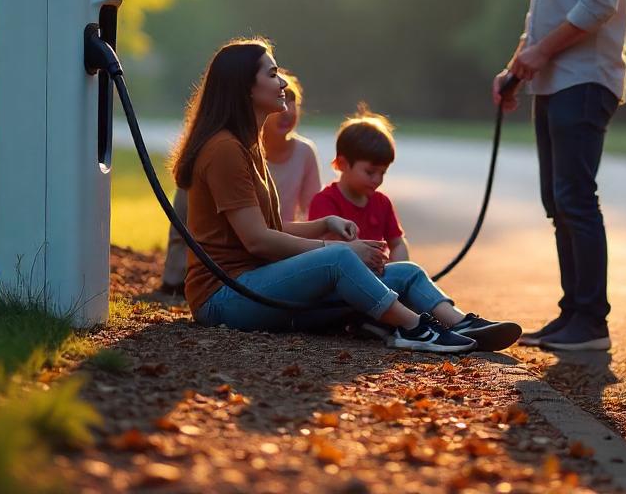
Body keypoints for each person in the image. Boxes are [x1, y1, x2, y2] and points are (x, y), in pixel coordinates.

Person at [172, 37, 521, 353]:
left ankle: (461, 323)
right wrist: (339, 249)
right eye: (273, 74)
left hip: (258, 284)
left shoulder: (248, 146)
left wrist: (325, 223)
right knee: (340, 261)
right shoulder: (224, 150)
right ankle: (414, 328)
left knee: (406, 272)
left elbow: (270, 227)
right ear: (244, 87)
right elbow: (258, 241)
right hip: (224, 297)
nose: (282, 83)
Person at [494, 0, 626, 352]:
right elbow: (543, 9)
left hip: (584, 77)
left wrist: (537, 56)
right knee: (559, 200)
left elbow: (599, 1)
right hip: (552, 79)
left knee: (575, 198)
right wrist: (516, 68)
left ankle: (591, 322)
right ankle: (570, 312)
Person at [160, 68, 321, 293]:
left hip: (280, 248)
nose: (288, 112)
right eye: (285, 100)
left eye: (294, 103)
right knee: (340, 261)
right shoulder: (228, 151)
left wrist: (322, 233)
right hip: (236, 268)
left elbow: (311, 208)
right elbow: (184, 221)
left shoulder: (302, 152)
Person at [306, 105, 409, 264]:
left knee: (413, 273)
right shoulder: (325, 201)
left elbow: (397, 243)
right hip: (341, 278)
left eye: (383, 173)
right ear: (342, 164)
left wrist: (399, 267)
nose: (377, 179)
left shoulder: (382, 203)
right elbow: (324, 252)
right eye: (370, 172)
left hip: (379, 276)